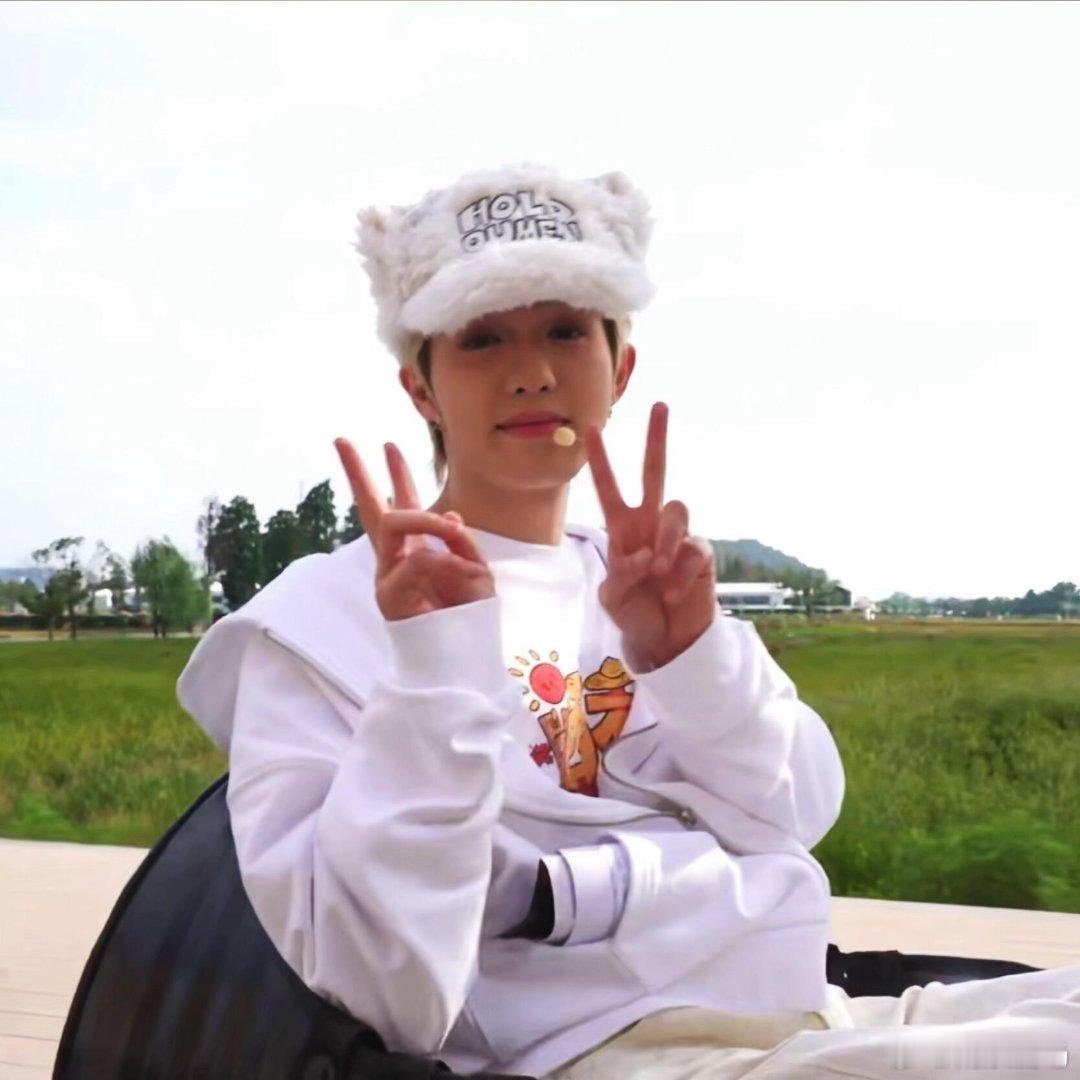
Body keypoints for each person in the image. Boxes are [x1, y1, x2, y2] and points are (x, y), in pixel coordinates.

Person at [176, 163, 1079, 1079]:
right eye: (482, 339)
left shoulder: (637, 576)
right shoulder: (317, 627)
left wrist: (690, 657)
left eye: (566, 330)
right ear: (421, 388)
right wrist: (435, 672)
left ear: (621, 370)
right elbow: (381, 990)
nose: (532, 374)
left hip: (794, 1001)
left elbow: (800, 813)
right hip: (588, 1052)